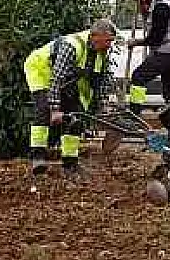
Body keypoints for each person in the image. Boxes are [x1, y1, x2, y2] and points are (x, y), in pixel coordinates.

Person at [23, 19, 117, 177]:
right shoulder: (71, 45)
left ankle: (70, 164)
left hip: (66, 78)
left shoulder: (100, 54)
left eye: (111, 41)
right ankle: (37, 158)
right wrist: (55, 109)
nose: (109, 45)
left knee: (76, 114)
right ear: (95, 36)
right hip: (41, 69)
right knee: (44, 109)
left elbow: (99, 83)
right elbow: (57, 79)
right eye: (108, 40)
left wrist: (102, 107)